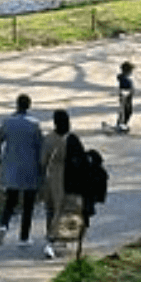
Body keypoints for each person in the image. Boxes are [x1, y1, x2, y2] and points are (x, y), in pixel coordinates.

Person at [0, 93, 43, 247]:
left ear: (17, 105)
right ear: (29, 105)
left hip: (12, 166)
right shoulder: (34, 124)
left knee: (10, 201)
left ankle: (3, 225)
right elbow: (40, 145)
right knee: (28, 205)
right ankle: (24, 237)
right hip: (30, 167)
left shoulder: (7, 122)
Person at [39, 108, 85, 258]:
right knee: (64, 209)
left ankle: (51, 238)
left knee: (51, 209)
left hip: (53, 177)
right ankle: (61, 237)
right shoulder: (73, 139)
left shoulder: (49, 139)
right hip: (71, 179)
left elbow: (42, 161)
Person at [114, 60, 135, 133]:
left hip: (128, 97)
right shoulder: (123, 78)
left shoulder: (125, 78)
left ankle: (122, 125)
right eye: (130, 71)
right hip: (125, 97)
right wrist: (125, 95)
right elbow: (124, 89)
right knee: (125, 111)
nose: (131, 72)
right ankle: (120, 125)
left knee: (128, 111)